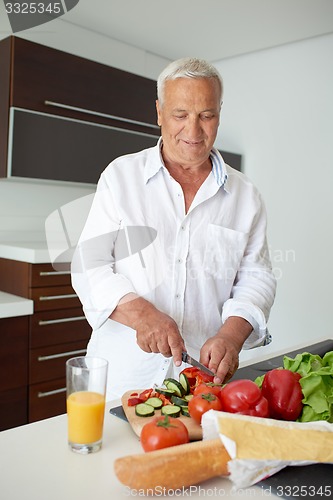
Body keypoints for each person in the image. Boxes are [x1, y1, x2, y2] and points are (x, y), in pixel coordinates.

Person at [71, 57, 276, 400]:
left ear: (219, 113)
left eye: (206, 116)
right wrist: (141, 314)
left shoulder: (247, 197)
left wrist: (231, 335)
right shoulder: (121, 177)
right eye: (180, 115)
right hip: (121, 377)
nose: (193, 131)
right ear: (159, 112)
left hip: (201, 383)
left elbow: (257, 277)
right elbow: (88, 264)